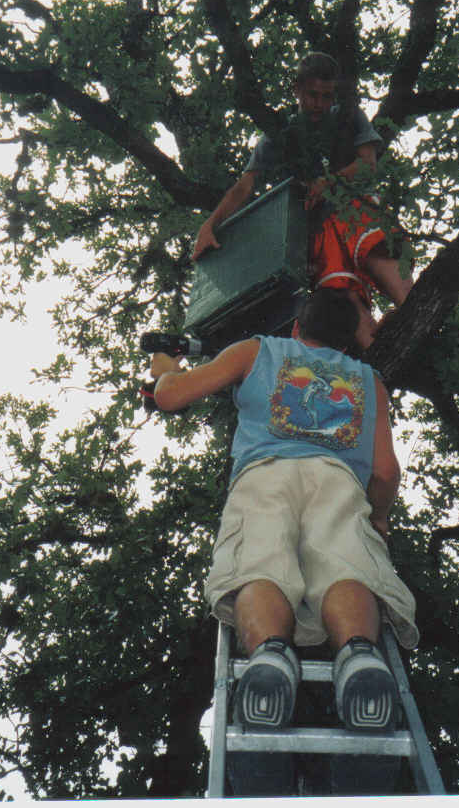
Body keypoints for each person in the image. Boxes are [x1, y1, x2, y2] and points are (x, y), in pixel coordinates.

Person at [150, 288, 419, 755]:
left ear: (297, 328)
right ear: (348, 341)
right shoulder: (368, 381)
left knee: (260, 562)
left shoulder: (256, 351)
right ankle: (359, 658)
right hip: (337, 480)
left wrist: (164, 368)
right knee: (346, 565)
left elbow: (171, 397)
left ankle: (271, 659)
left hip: (265, 475)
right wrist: (378, 518)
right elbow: (385, 472)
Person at [192, 52, 413, 348]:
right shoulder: (281, 133)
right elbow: (244, 186)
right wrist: (210, 224)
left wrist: (329, 181)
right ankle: (378, 347)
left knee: (375, 248)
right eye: (312, 95)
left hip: (353, 209)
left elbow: (368, 164)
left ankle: (411, 310)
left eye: (327, 96)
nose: (319, 103)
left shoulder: (348, 117)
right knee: (340, 291)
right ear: (297, 89)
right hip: (317, 231)